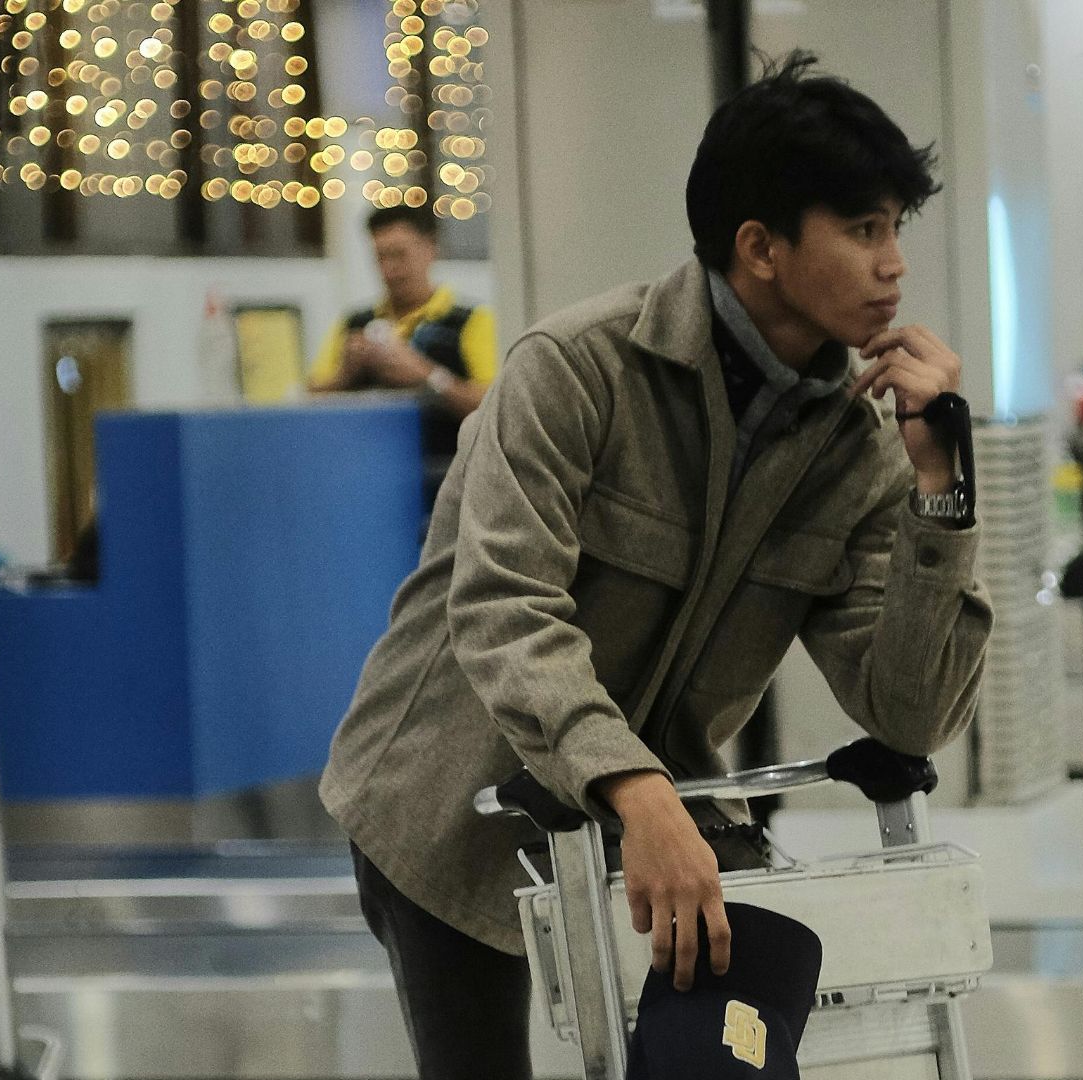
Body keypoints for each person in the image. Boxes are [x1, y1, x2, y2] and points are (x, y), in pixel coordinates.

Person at [320, 52, 991, 1080]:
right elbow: (505, 609)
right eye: (865, 230)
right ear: (760, 247)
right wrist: (636, 791)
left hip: (666, 811)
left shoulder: (856, 453)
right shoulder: (576, 371)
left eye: (897, 227)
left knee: (721, 1061)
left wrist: (940, 482)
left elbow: (910, 711)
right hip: (450, 799)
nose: (894, 264)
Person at [307, 204, 499, 505]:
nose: (390, 269)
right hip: (365, 484)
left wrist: (427, 376)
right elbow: (309, 401)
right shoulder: (354, 324)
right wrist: (346, 375)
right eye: (380, 257)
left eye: (399, 255)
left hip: (447, 485)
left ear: (430, 249)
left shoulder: (471, 322)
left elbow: (492, 408)